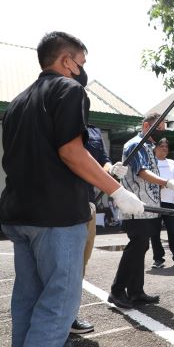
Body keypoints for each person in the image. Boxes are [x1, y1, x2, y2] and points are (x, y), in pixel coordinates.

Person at [0, 31, 143, 347]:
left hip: (19, 215)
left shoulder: (18, 103)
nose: (83, 70)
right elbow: (70, 151)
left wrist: (105, 171)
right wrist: (117, 191)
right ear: (66, 61)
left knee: (27, 299)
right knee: (57, 307)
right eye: (81, 62)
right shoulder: (68, 90)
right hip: (57, 218)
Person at [109, 113, 174, 309]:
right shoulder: (135, 144)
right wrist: (166, 182)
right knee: (138, 244)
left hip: (149, 207)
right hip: (135, 205)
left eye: (164, 128)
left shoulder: (149, 147)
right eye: (159, 127)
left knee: (142, 247)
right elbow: (142, 171)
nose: (162, 132)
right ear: (146, 126)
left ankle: (136, 291)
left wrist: (164, 184)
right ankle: (117, 291)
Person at [69, 124, 129, 335]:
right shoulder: (59, 120)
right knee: (61, 265)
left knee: (80, 264)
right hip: (61, 206)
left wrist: (111, 169)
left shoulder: (94, 132)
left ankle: (69, 315)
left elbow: (102, 160)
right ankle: (56, 320)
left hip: (87, 204)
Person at [150, 138, 174, 268]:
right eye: (161, 146)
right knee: (154, 232)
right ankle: (158, 259)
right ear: (155, 148)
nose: (164, 148)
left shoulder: (172, 163)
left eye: (166, 146)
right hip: (154, 202)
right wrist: (161, 185)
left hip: (169, 202)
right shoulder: (151, 162)